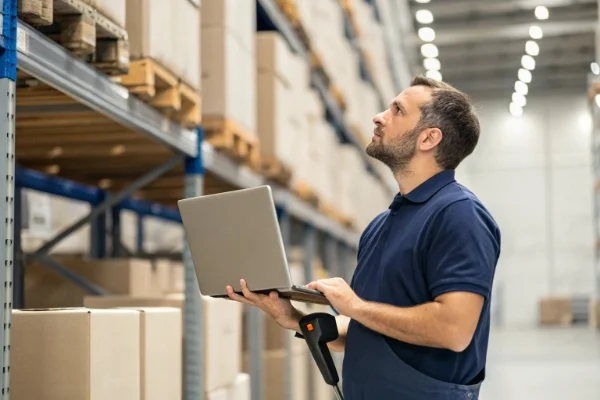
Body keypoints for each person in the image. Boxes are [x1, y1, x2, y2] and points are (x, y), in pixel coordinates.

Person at [226, 76, 501, 400]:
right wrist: (295, 318)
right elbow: (368, 330)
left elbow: (454, 330)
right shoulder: (383, 224)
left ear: (428, 138)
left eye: (397, 110)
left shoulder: (458, 215)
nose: (379, 116)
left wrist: (355, 306)